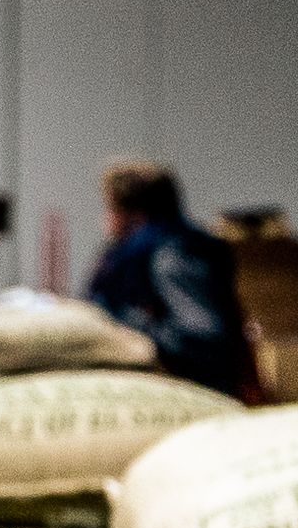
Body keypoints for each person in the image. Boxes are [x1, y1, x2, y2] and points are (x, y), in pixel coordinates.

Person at [86, 161, 257, 397]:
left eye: (110, 209)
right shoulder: (147, 255)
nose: (104, 220)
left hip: (194, 393)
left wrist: (125, 320)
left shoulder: (171, 257)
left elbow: (201, 340)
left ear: (134, 215)